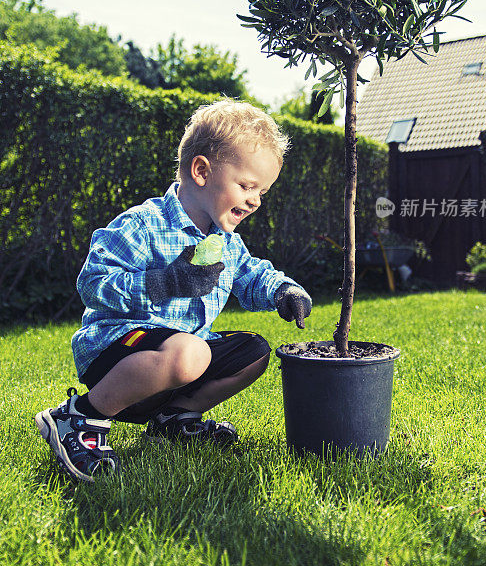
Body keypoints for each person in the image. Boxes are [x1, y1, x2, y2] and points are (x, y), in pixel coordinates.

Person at [35, 100, 312, 482]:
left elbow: (250, 273)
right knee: (191, 352)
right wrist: (164, 282)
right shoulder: (143, 224)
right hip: (118, 352)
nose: (255, 200)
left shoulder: (224, 241)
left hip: (180, 359)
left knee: (254, 352)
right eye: (247, 186)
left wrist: (283, 291)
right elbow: (93, 284)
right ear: (201, 171)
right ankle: (80, 416)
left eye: (262, 191)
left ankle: (174, 417)